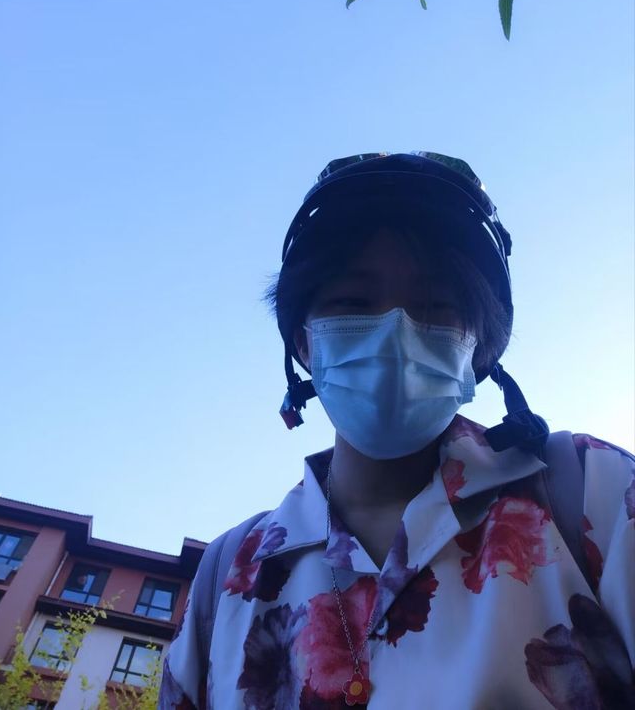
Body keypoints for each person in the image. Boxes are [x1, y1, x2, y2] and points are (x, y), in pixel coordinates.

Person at [159, 153, 635, 709]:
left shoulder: (595, 496)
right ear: (304, 343)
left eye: (435, 305)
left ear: (478, 349)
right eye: (352, 303)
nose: (395, 334)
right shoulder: (230, 573)